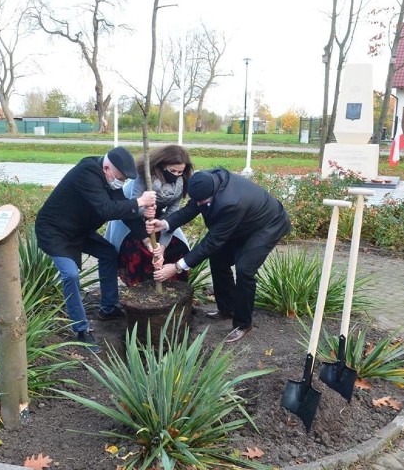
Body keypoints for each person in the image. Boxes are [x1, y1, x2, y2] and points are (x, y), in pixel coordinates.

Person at [148, 168, 292, 343]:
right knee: (218, 259)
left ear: (214, 193)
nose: (199, 204)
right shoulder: (205, 181)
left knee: (245, 269)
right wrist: (165, 223)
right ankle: (227, 309)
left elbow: (212, 241)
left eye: (203, 202)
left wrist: (177, 267)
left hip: (267, 225)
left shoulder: (231, 202)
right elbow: (191, 208)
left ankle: (243, 324)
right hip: (242, 223)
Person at [35, 147, 156, 353]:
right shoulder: (87, 173)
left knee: (108, 253)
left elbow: (125, 212)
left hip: (79, 230)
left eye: (125, 179)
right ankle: (81, 329)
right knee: (70, 274)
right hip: (54, 231)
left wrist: (146, 240)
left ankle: (108, 308)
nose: (122, 182)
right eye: (120, 177)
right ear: (107, 168)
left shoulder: (109, 179)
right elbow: (106, 209)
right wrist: (140, 201)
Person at [104, 144, 194, 286]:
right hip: (130, 215)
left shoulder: (181, 184)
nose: (176, 175)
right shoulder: (144, 175)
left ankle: (168, 285)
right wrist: (145, 210)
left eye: (180, 172)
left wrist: (162, 248)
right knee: (137, 252)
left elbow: (172, 218)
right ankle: (139, 288)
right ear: (162, 165)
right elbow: (134, 207)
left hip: (157, 219)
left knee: (177, 247)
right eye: (172, 171)